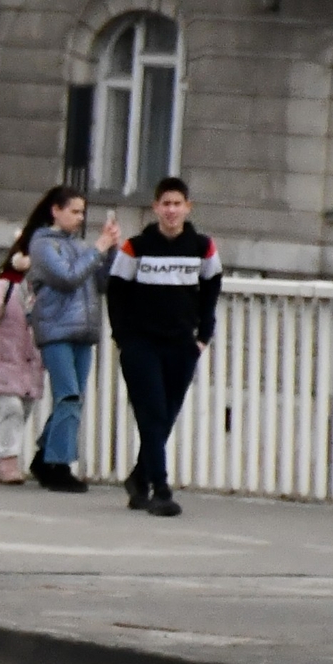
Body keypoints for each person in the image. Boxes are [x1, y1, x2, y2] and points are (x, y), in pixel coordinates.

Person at [104, 177, 221, 518]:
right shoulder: (135, 247)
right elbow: (116, 291)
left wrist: (203, 337)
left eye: (177, 204)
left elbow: (211, 291)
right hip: (141, 343)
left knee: (166, 416)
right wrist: (123, 337)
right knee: (152, 413)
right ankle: (161, 487)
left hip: (182, 344)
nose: (171, 210)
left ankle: (140, 478)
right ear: (155, 208)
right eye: (165, 204)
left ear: (188, 207)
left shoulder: (203, 247)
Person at [20, 186, 120, 492]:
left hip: (83, 330)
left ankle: (45, 454)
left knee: (74, 398)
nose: (78, 218)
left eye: (81, 213)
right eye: (73, 211)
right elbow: (67, 277)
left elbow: (101, 282)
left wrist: (111, 251)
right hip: (56, 329)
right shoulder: (42, 244)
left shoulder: (78, 245)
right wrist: (98, 249)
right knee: (68, 396)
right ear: (56, 210)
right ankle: (59, 464)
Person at [0, 245, 42, 483]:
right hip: (5, 360)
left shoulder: (43, 288)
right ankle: (8, 460)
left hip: (31, 362)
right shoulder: (6, 285)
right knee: (10, 408)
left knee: (22, 410)